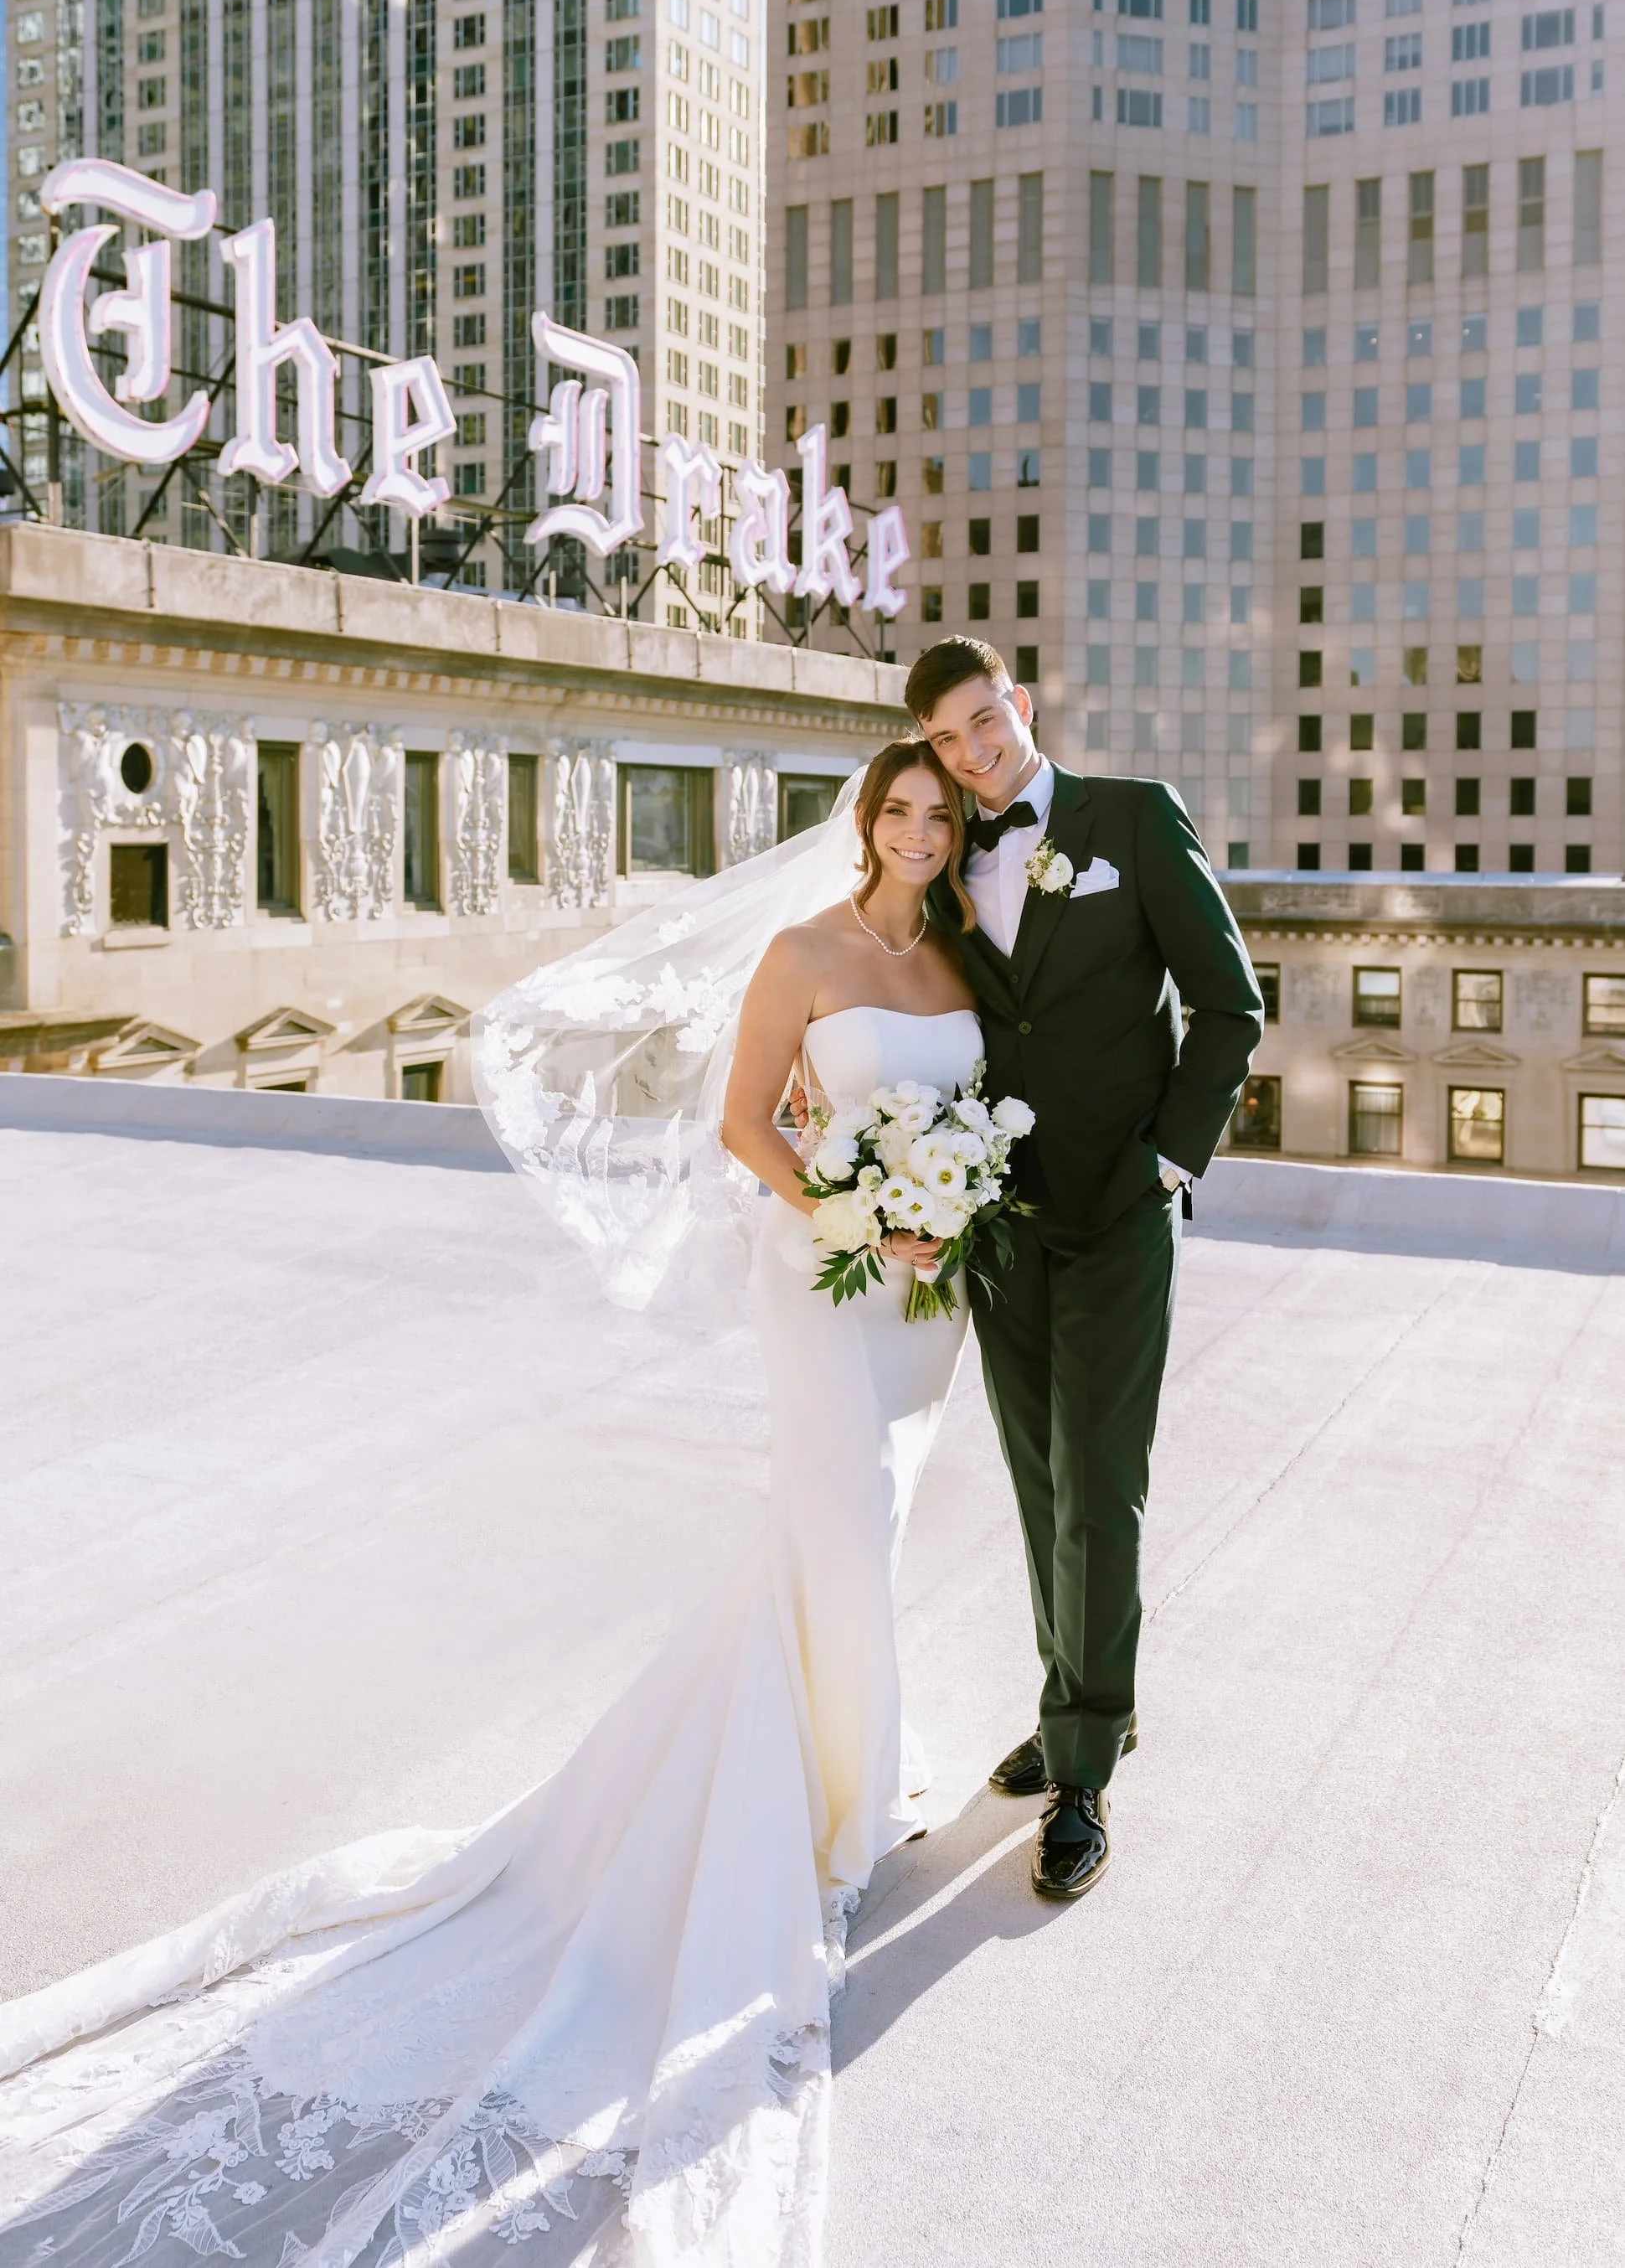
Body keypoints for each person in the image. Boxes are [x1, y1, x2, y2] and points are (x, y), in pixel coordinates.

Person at [0, 741, 984, 2268]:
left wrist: (948, 1210)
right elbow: (746, 1122)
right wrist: (859, 1209)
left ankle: (839, 1750)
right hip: (831, 1277)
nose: (919, 833)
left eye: (940, 815)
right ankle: (826, 1820)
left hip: (932, 1306)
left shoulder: (969, 956)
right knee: (838, 1520)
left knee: (853, 1542)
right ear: (866, 822)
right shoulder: (805, 950)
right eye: (900, 811)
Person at [907, 635, 1263, 1902]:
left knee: (1100, 1484)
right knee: (1040, 1475)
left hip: (1121, 1208)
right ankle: (1080, 1709)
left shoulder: (1131, 818)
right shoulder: (949, 865)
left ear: (1021, 701)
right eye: (948, 739)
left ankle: (1083, 1773)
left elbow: (1233, 1004)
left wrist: (1170, 1162)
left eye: (982, 717)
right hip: (1005, 1221)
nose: (972, 749)